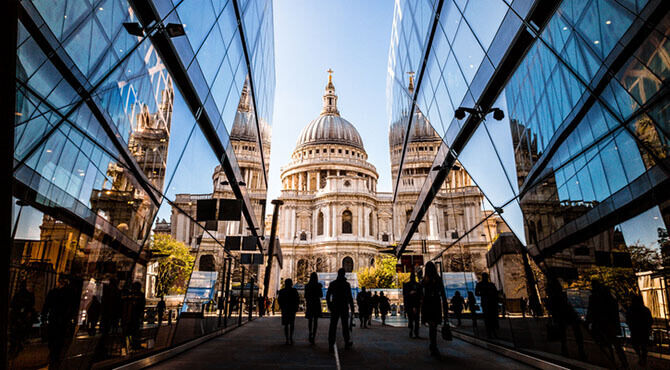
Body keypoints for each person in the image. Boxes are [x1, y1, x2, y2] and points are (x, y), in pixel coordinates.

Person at [585, 279, 628, 368]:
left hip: (600, 325)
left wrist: (587, 322)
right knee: (615, 344)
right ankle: (623, 362)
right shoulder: (609, 296)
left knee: (604, 344)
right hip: (610, 324)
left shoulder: (594, 297)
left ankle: (610, 361)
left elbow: (591, 311)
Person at [546, 278, 585, 359]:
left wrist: (553, 317)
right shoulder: (563, 294)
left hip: (561, 316)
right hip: (568, 314)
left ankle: (565, 350)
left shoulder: (553, 297)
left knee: (563, 334)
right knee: (576, 332)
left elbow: (551, 308)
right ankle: (581, 350)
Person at [42, 278, 77, 369]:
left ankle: (53, 356)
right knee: (59, 341)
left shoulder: (54, 292)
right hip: (63, 321)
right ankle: (55, 357)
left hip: (55, 319)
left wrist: (44, 317)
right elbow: (73, 307)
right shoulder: (70, 294)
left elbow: (46, 306)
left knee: (53, 339)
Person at [422, 262, 449, 357]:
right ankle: (433, 345)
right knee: (433, 326)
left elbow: (422, 295)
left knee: (432, 326)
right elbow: (443, 293)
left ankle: (433, 345)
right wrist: (445, 305)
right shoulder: (438, 279)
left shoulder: (424, 280)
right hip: (435, 304)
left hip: (427, 304)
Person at [326, 268, 355, 352]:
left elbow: (328, 296)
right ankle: (346, 341)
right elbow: (350, 297)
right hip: (344, 307)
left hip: (335, 306)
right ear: (344, 274)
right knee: (345, 325)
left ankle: (331, 343)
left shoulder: (333, 284)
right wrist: (352, 308)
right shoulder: (346, 285)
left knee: (333, 325)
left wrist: (329, 305)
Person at [9, 280, 35, 358]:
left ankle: (17, 345)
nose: (31, 287)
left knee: (18, 333)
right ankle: (15, 347)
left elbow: (30, 306)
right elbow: (15, 305)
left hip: (22, 317)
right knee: (17, 333)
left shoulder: (29, 295)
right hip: (19, 316)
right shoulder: (23, 295)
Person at [627, 294, 653, 366]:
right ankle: (643, 358)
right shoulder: (645, 309)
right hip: (644, 330)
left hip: (635, 330)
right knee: (644, 346)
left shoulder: (630, 310)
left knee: (635, 344)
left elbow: (628, 320)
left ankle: (640, 356)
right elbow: (650, 320)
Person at [475, 273, 498, 338]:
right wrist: (484, 294)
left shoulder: (487, 285)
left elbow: (495, 293)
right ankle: (490, 333)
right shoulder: (489, 285)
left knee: (490, 318)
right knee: (489, 318)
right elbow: (476, 293)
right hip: (487, 303)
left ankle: (492, 332)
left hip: (490, 302)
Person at [278, 279, 299, 344]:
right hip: (292, 309)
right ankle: (291, 338)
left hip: (285, 309)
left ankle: (287, 338)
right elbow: (297, 299)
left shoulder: (282, 291)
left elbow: (279, 300)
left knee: (286, 325)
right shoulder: (294, 291)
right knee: (292, 324)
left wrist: (281, 307)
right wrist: (296, 307)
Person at [305, 272, 323, 344]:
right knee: (315, 320)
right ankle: (314, 336)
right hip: (316, 303)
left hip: (310, 303)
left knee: (310, 319)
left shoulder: (307, 286)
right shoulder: (318, 286)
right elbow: (321, 295)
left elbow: (306, 296)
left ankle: (310, 332)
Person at [403, 272, 422, 338]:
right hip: (415, 304)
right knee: (416, 319)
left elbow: (405, 295)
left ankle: (411, 330)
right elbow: (420, 295)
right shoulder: (418, 285)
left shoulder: (407, 285)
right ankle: (416, 332)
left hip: (410, 304)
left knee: (411, 319)